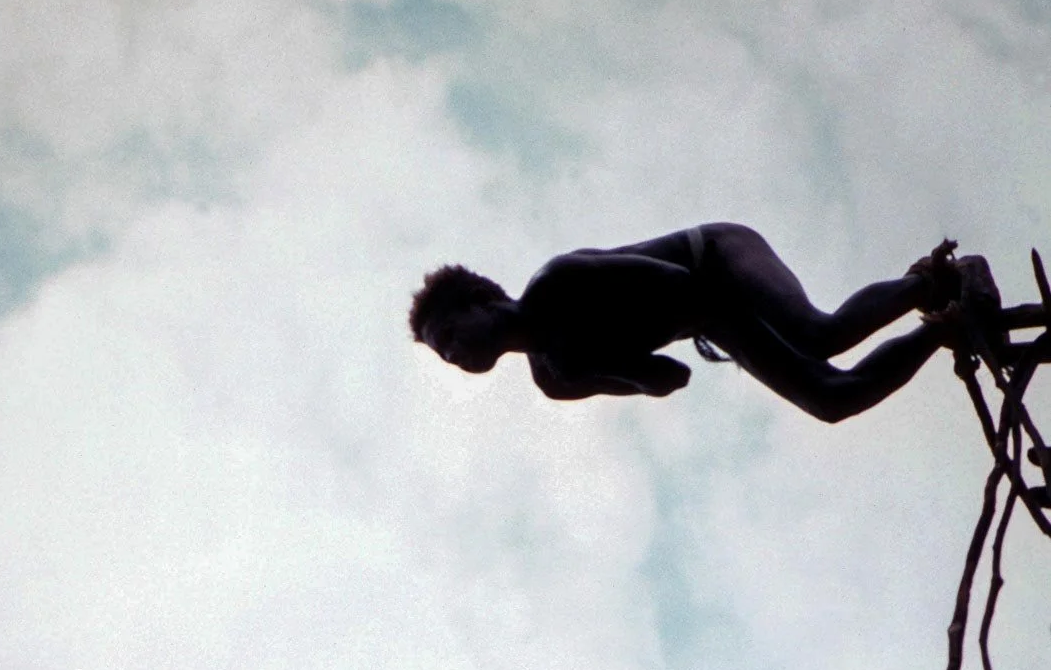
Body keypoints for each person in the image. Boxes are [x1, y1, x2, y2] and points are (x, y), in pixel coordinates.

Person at [408, 224, 1003, 423]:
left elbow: (676, 285)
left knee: (817, 334)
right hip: (702, 315)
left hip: (713, 257)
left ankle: (936, 278)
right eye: (445, 355)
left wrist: (743, 334)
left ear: (482, 300)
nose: (456, 354)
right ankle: (946, 324)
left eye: (452, 334)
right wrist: (608, 367)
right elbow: (667, 377)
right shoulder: (556, 378)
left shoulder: (558, 282)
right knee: (830, 398)